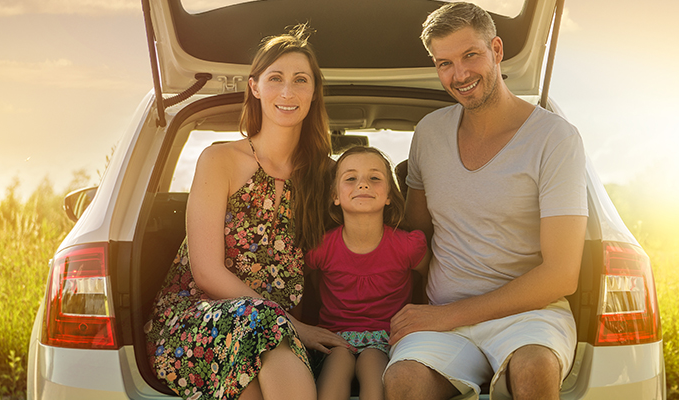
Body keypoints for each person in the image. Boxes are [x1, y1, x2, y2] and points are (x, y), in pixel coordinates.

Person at [383, 2, 589, 400]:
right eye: (444, 63)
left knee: (535, 368)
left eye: (470, 56)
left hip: (529, 316)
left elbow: (562, 274)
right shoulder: (429, 133)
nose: (459, 75)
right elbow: (417, 235)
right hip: (446, 323)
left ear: (496, 50)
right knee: (403, 381)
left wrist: (447, 315)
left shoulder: (555, 138)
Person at [145, 24, 348, 400]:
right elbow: (206, 273)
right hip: (198, 321)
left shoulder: (324, 175)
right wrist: (296, 326)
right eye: (276, 78)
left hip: (272, 334)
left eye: (300, 80)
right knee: (267, 328)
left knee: (265, 360)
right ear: (255, 87)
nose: (287, 92)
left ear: (314, 91)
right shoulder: (219, 159)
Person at [306, 146, 429, 400]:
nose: (363, 184)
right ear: (335, 195)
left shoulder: (408, 246)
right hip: (335, 338)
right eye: (351, 178)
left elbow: (431, 282)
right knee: (338, 362)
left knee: (372, 364)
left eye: (374, 177)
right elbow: (303, 287)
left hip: (386, 338)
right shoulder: (321, 247)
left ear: (389, 195)